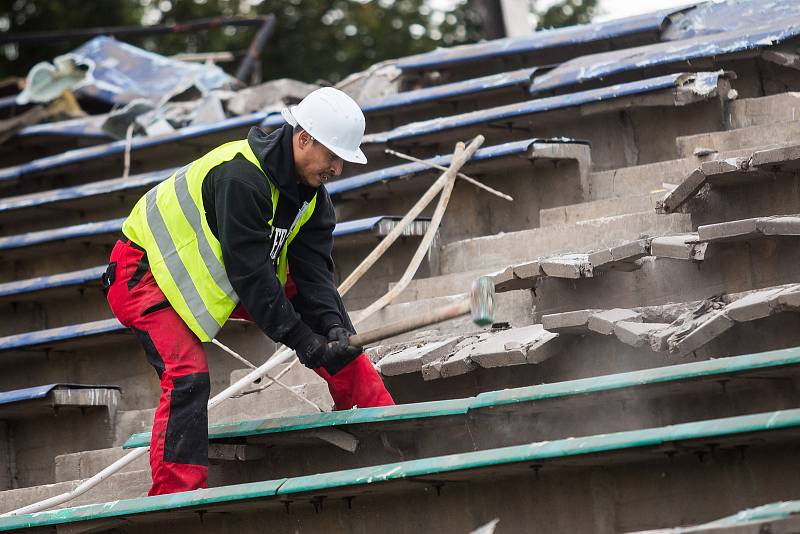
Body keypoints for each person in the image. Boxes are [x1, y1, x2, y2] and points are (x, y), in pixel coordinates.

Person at [102, 87, 394, 496]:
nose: (338, 168)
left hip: (218, 276)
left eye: (343, 159)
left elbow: (313, 279)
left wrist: (330, 330)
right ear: (303, 138)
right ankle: (175, 497)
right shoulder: (240, 175)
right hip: (142, 274)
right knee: (187, 376)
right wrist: (302, 341)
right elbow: (252, 276)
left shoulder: (313, 199)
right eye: (333, 156)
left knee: (338, 335)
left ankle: (383, 426)